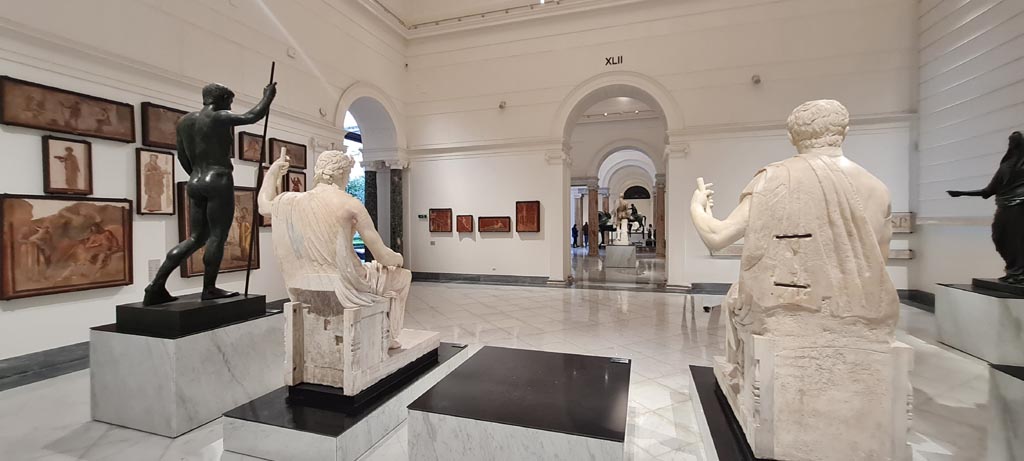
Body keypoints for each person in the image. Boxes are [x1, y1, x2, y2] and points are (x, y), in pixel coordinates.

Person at [258, 150, 410, 348]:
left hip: (304, 280)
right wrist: (398, 258)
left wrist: (273, 172)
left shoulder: (292, 201)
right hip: (347, 281)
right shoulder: (351, 204)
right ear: (341, 173)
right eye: (348, 174)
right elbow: (382, 256)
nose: (348, 179)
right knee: (402, 276)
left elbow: (264, 205)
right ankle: (385, 336)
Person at [143, 81, 277, 306]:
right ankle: (209, 288)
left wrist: (196, 174)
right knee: (217, 236)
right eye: (229, 101)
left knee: (195, 238)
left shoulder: (185, 121)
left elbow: (182, 155)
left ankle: (155, 285)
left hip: (195, 180)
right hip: (218, 178)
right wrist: (268, 97)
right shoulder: (219, 116)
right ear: (222, 99)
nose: (230, 106)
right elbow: (252, 116)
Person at [947, 132, 1024, 284]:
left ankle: (1020, 273)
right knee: (999, 238)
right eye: (1011, 142)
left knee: (1019, 240)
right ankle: (1013, 271)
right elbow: (988, 191)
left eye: (1014, 142)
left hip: (1020, 207)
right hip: (1004, 207)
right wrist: (961, 193)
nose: (1012, 145)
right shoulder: (1005, 166)